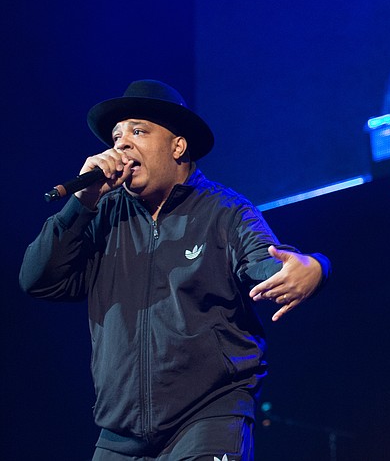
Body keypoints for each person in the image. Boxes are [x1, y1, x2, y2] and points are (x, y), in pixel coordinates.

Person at [19, 80, 331, 460]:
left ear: (177, 146)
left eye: (138, 131)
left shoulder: (224, 211)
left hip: (209, 416)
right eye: (117, 137)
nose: (121, 144)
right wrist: (81, 203)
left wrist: (314, 267)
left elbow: (267, 260)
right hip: (120, 433)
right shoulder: (102, 214)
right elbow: (36, 280)